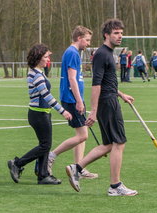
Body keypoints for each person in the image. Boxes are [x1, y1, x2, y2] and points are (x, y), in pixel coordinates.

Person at [65, 18, 138, 197]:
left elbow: (107, 82)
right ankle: (115, 186)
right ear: (107, 35)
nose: (120, 36)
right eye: (116, 33)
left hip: (111, 98)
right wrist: (94, 111)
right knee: (119, 143)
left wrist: (121, 94)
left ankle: (77, 168)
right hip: (107, 103)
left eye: (121, 33)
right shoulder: (102, 54)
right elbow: (96, 84)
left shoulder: (107, 53)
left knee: (107, 145)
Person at [8, 44, 72, 185]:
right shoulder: (36, 75)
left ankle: (43, 175)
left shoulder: (37, 72)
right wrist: (63, 111)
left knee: (45, 144)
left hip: (42, 113)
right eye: (46, 56)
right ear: (38, 58)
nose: (48, 59)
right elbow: (47, 96)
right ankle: (17, 164)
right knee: (45, 145)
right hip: (38, 115)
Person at [47, 26, 98, 180]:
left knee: (82, 135)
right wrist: (78, 100)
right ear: (78, 38)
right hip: (71, 98)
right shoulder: (72, 53)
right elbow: (71, 78)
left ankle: (78, 167)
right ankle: (51, 156)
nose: (88, 43)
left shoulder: (74, 53)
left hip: (74, 98)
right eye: (87, 40)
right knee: (82, 135)